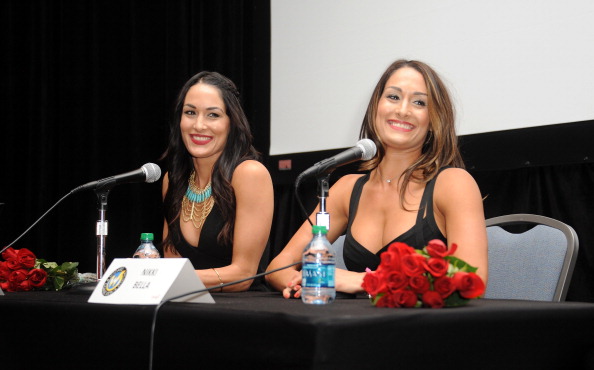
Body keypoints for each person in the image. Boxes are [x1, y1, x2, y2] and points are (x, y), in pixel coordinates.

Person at [266, 59, 488, 298]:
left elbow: (471, 281)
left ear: (434, 121)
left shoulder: (453, 184)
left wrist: (366, 280)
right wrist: (306, 282)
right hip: (357, 329)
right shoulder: (346, 190)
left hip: (426, 331)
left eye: (419, 102)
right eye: (393, 97)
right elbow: (277, 269)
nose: (403, 110)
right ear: (376, 108)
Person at [161, 71, 274, 292]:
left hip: (241, 312)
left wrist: (163, 280)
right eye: (190, 112)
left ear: (232, 122)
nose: (199, 125)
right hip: (185, 306)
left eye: (213, 115)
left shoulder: (249, 174)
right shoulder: (172, 179)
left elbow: (243, 275)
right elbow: (171, 264)